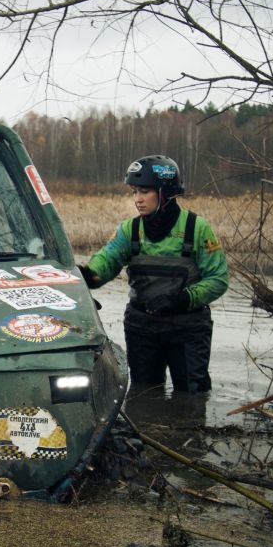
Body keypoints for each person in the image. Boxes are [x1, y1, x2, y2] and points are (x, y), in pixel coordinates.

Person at [79, 156, 228, 392]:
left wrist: (181, 300)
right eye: (135, 191)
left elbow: (218, 279)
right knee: (143, 394)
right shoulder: (131, 229)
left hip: (187, 327)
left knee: (192, 394)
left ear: (165, 192)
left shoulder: (197, 229)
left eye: (144, 191)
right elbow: (108, 257)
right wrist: (88, 274)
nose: (137, 199)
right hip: (142, 327)